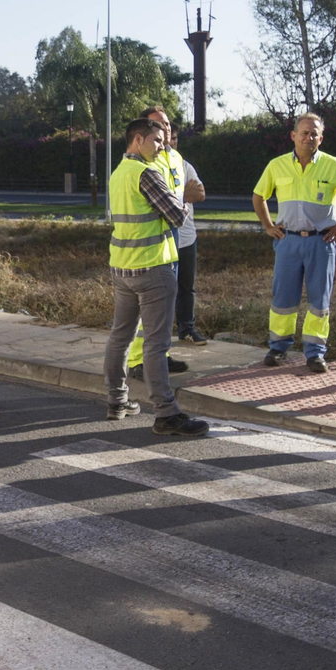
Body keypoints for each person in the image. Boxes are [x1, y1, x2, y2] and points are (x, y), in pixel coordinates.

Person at [103, 117, 210, 437]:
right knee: (155, 344)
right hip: (153, 269)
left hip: (122, 269)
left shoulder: (118, 173)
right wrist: (187, 198)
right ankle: (165, 413)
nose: (162, 146)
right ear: (137, 140)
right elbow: (176, 217)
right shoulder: (146, 173)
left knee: (119, 337)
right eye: (157, 141)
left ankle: (116, 401)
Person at [252, 113, 336, 373]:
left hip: (321, 243)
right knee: (283, 298)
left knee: (319, 300)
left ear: (321, 138)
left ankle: (315, 353)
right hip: (288, 242)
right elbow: (259, 195)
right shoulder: (277, 165)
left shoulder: (334, 165)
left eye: (314, 133)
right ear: (293, 136)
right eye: (304, 132)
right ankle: (278, 347)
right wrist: (268, 226)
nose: (309, 137)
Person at [124, 107, 206, 381]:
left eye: (168, 124)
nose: (166, 129)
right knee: (149, 312)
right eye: (159, 125)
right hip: (153, 246)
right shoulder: (148, 161)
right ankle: (138, 361)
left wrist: (182, 196)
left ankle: (162, 357)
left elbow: (197, 192)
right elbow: (169, 202)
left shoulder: (177, 158)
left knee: (166, 307)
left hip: (177, 239)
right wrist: (183, 196)